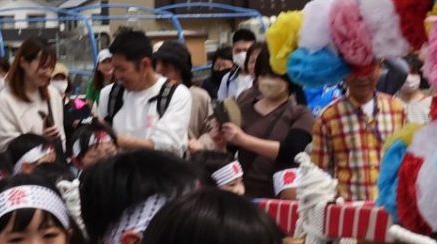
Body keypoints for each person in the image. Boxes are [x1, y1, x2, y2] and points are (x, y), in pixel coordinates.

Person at [211, 43, 311, 199]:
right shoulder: (244, 103)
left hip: (281, 196)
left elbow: (292, 151)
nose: (267, 81)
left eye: (275, 76)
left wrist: (243, 140)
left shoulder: (300, 113)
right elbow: (229, 152)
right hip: (242, 193)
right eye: (263, 75)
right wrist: (220, 142)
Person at [96, 30, 193, 156]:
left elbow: (169, 145)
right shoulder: (109, 95)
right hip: (119, 174)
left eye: (122, 69)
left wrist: (121, 142)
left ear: (145, 64)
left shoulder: (176, 94)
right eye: (115, 68)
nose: (117, 75)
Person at [0, 35, 66, 150]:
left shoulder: (53, 94)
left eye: (51, 67)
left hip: (53, 165)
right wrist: (40, 140)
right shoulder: (5, 100)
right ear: (23, 62)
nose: (48, 73)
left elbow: (61, 137)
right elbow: (7, 146)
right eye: (43, 67)